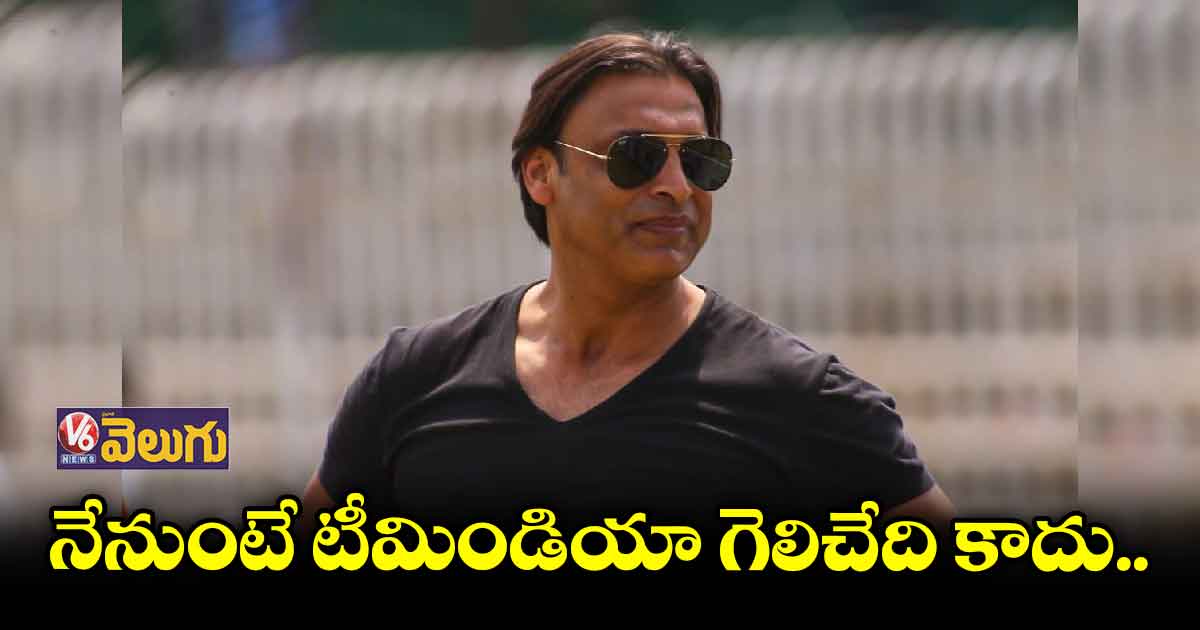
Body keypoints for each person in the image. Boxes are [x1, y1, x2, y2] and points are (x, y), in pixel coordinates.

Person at [300, 30, 954, 556]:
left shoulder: (802, 399)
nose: (675, 186)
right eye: (635, 156)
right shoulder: (415, 378)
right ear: (540, 174)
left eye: (698, 159)